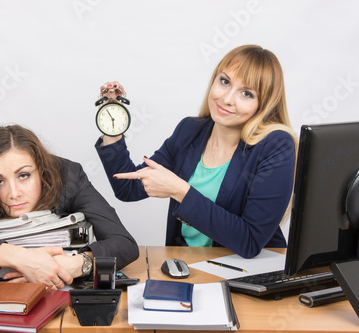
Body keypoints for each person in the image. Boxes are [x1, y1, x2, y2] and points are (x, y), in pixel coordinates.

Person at [95, 45, 297, 259]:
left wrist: (180, 191)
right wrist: (112, 124)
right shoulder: (190, 130)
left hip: (248, 273)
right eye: (225, 81)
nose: (227, 98)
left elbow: (249, 241)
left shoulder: (276, 145)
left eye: (246, 93)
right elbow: (127, 187)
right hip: (189, 266)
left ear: (263, 105)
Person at [0, 125, 139, 289]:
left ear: (42, 171)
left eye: (24, 175)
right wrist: (23, 259)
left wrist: (73, 265)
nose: (14, 193)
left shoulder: (67, 175)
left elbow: (123, 243)